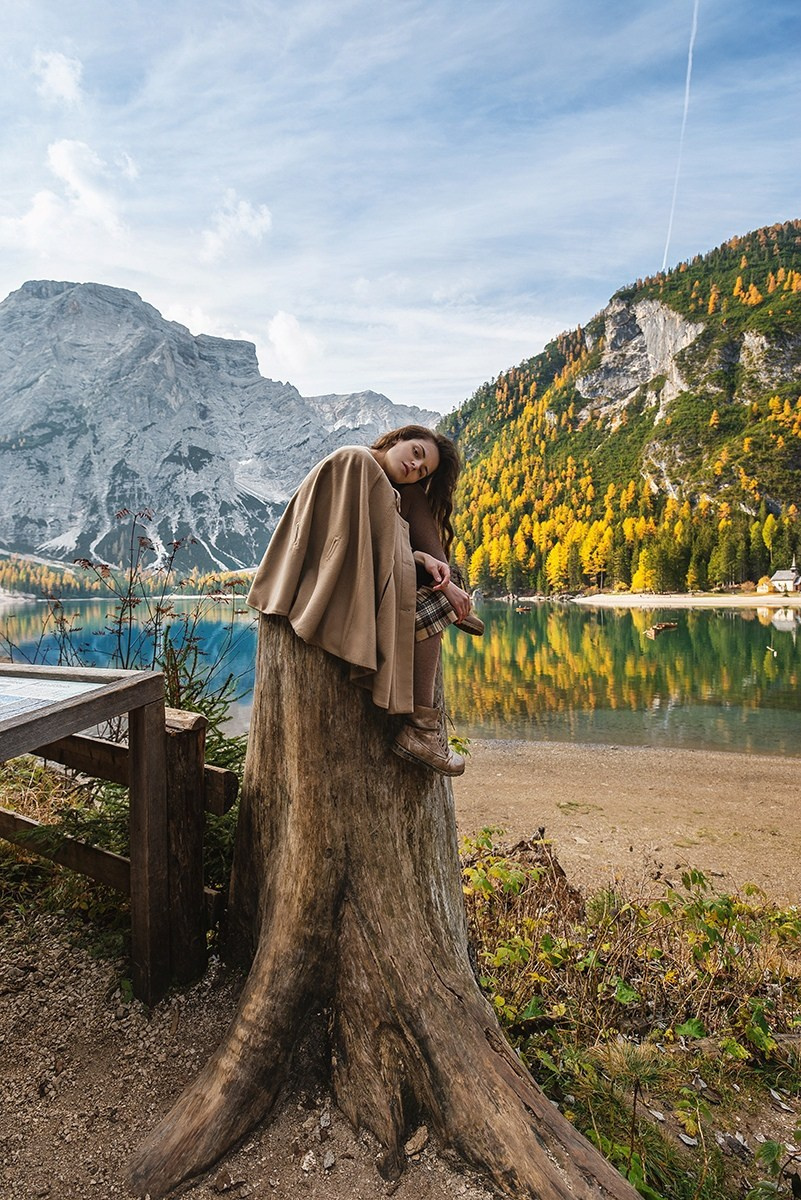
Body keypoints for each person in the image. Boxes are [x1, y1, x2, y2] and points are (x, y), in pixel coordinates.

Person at [246, 425, 481, 776]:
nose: (415, 467)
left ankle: (450, 589)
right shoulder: (358, 462)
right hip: (326, 584)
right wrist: (430, 571)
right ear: (395, 440)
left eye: (424, 469)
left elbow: (377, 544)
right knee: (436, 603)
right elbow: (353, 548)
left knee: (414, 499)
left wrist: (425, 562)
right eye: (416, 453)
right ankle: (423, 729)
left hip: (354, 575)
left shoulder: (383, 479)